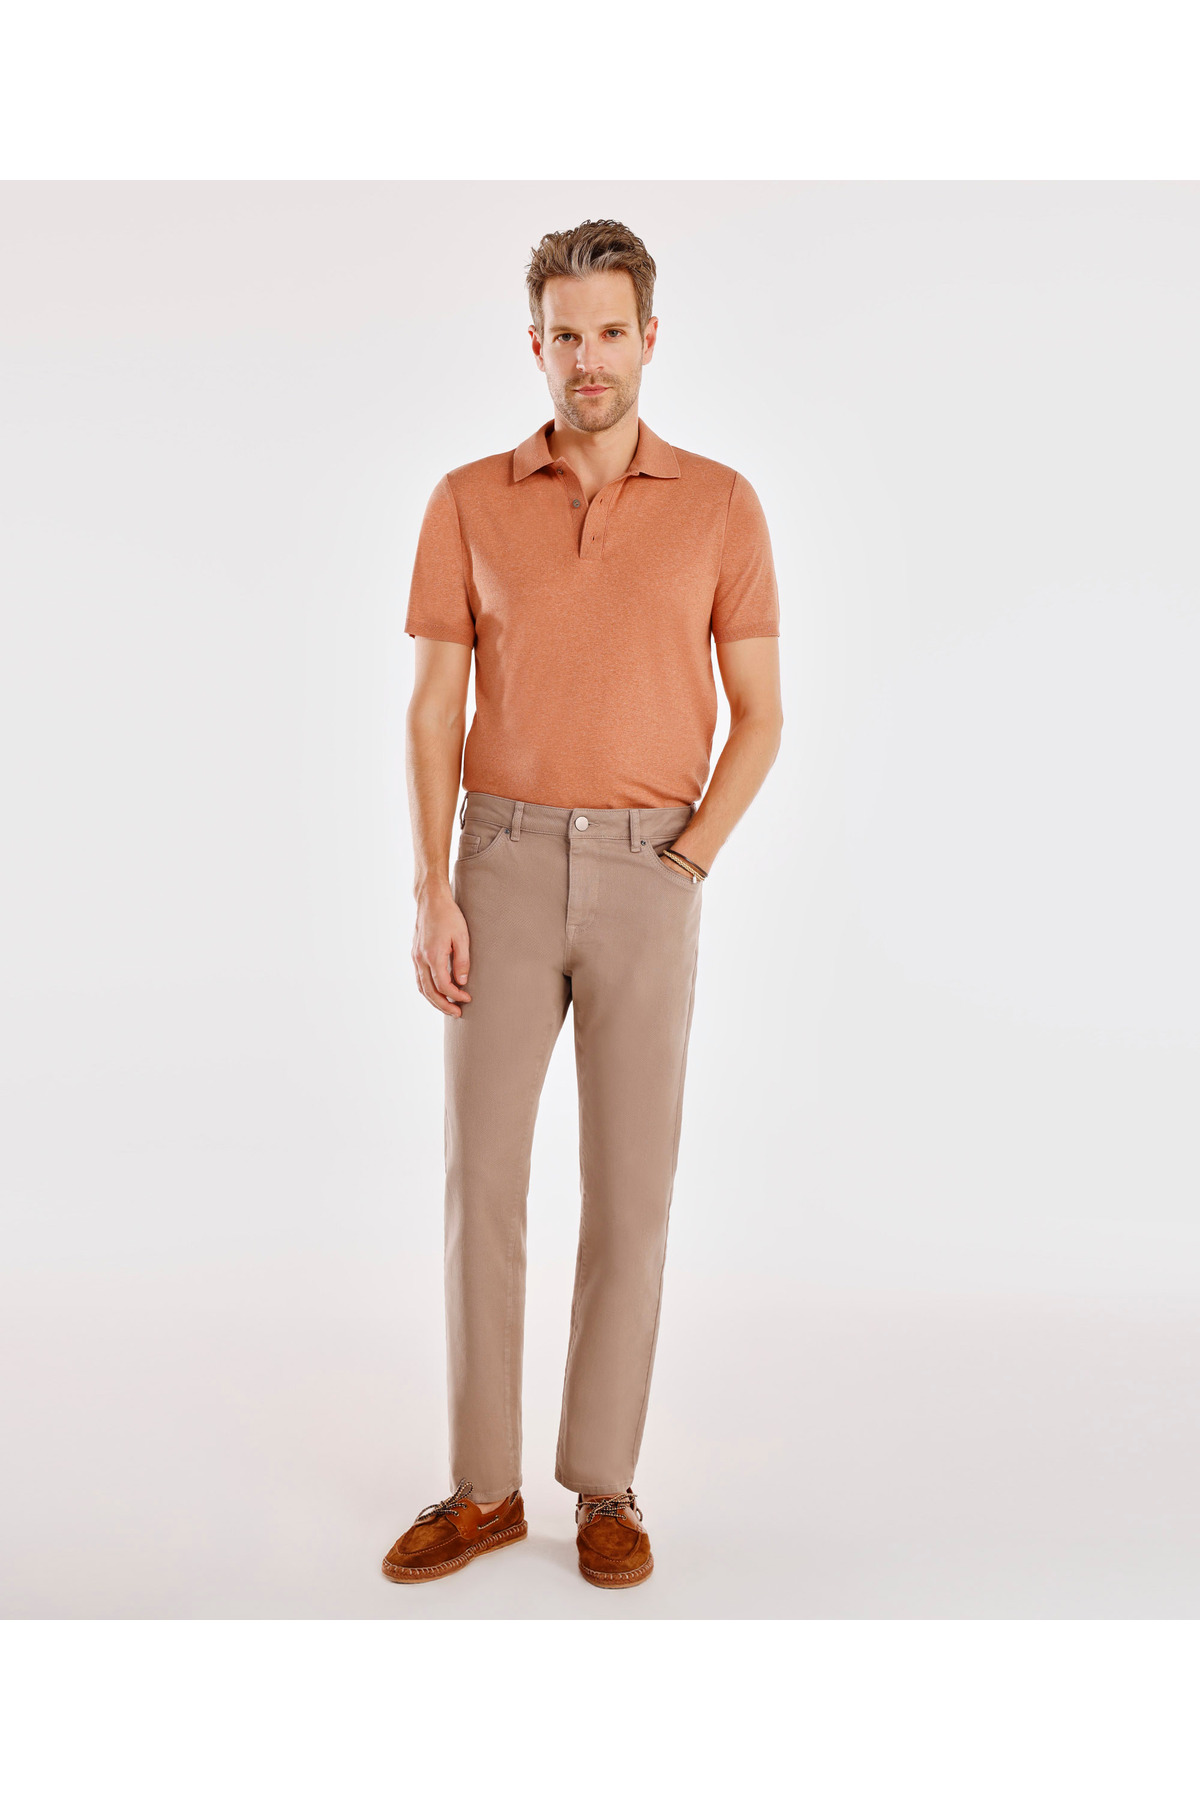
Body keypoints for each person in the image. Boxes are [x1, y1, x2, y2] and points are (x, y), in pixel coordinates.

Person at [381, 218, 782, 1590]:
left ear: (649, 338)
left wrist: (687, 864)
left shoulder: (722, 506)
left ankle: (605, 1482)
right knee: (481, 1184)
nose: (588, 358)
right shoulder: (466, 499)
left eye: (612, 332)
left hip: (650, 870)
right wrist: (433, 885)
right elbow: (433, 712)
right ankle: (484, 1489)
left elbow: (762, 714)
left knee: (631, 1192)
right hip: (496, 863)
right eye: (566, 335)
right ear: (536, 344)